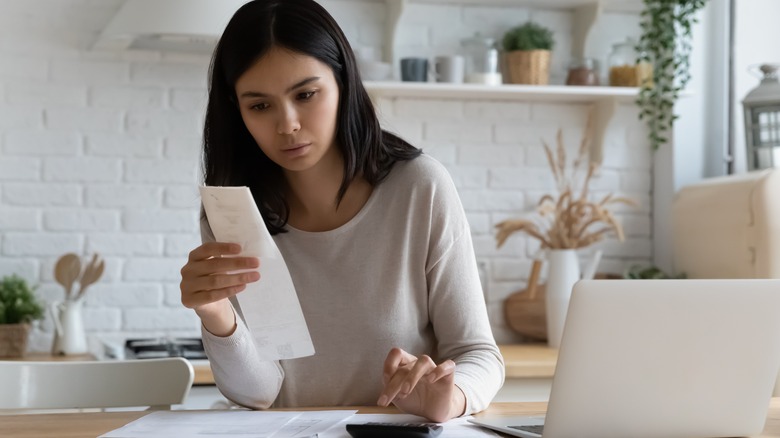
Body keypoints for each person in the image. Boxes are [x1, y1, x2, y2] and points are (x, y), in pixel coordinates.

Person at [179, 0, 504, 423]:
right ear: (237, 111)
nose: (287, 124)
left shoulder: (419, 188)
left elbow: (478, 354)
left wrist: (451, 397)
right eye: (260, 106)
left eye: (306, 94)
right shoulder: (233, 214)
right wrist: (216, 315)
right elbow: (260, 395)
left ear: (344, 83)